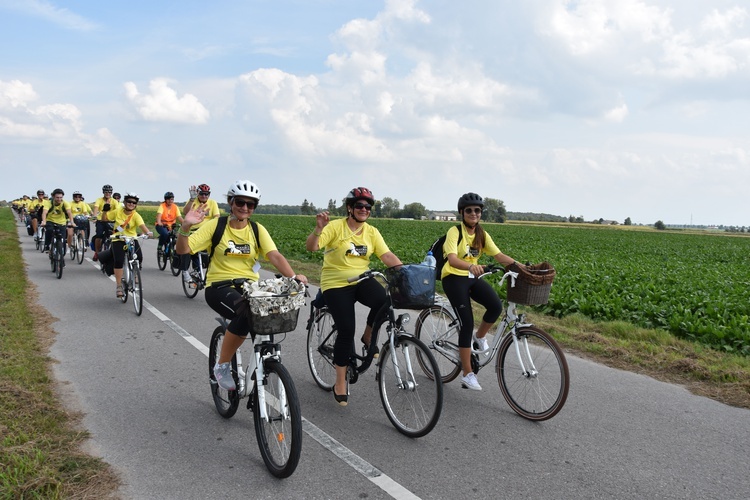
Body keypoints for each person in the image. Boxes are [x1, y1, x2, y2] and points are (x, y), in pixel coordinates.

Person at [176, 179, 307, 391]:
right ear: (230, 202)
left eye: (251, 204)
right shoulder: (216, 226)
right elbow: (183, 250)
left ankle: (263, 367)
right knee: (245, 314)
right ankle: (222, 365)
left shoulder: (256, 229)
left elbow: (274, 255)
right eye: (240, 202)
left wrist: (294, 277)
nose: (245, 208)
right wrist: (185, 226)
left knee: (267, 320)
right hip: (219, 286)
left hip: (250, 288)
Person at [305, 187, 403, 406]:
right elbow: (312, 247)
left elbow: (385, 255)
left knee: (385, 301)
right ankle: (340, 381)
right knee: (346, 329)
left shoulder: (371, 232)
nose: (364, 209)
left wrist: (404, 271)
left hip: (361, 279)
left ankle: (368, 337)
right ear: (350, 208)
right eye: (359, 205)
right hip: (336, 283)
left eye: (368, 206)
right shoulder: (335, 227)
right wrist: (319, 229)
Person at [440, 192, 524, 391]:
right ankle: (468, 374)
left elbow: (498, 255)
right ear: (462, 212)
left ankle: (479, 337)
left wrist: (521, 267)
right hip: (453, 277)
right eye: (469, 210)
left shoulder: (481, 234)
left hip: (471, 278)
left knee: (495, 306)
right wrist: (470, 267)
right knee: (466, 321)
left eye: (477, 210)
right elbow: (451, 258)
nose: (473, 214)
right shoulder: (455, 232)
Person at [110, 192, 153, 298]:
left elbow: (142, 226)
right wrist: (105, 212)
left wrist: (148, 232)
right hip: (118, 239)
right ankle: (119, 285)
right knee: (119, 260)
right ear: (124, 202)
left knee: (139, 257)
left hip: (131, 239)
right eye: (129, 201)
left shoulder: (136, 215)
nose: (131, 204)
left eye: (134, 202)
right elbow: (107, 218)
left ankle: (135, 273)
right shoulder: (118, 212)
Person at [179, 183, 220, 284]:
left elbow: (217, 217)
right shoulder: (193, 201)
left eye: (207, 194)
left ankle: (202, 271)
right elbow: (185, 212)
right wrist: (192, 199)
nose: (204, 196)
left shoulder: (212, 203)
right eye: (202, 194)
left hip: (206, 231)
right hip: (193, 230)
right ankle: (184, 271)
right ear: (198, 193)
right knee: (187, 249)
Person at [40, 188, 74, 252]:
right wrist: (44, 221)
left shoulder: (65, 203)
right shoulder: (49, 203)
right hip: (50, 221)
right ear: (53, 197)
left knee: (63, 239)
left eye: (61, 197)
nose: (59, 199)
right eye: (57, 197)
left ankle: (61, 255)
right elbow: (44, 212)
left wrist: (72, 222)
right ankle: (47, 245)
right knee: (49, 230)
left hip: (62, 222)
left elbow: (69, 212)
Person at [91, 184, 120, 261]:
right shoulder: (99, 200)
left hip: (111, 221)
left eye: (109, 192)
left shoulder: (114, 201)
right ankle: (97, 252)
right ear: (103, 192)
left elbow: (118, 211)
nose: (108, 193)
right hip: (101, 220)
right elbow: (96, 209)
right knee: (99, 235)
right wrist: (94, 218)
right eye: (106, 192)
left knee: (116, 234)